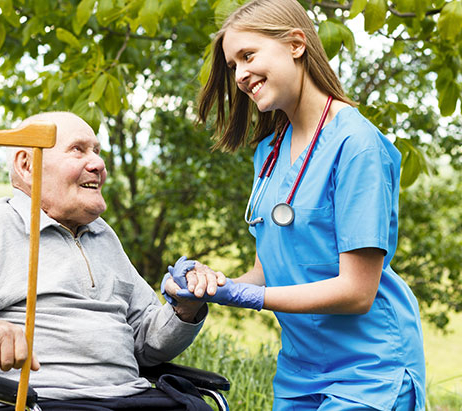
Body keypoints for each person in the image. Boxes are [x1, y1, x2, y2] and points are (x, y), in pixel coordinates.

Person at [163, 0, 426, 409]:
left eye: (248, 56)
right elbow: (268, 271)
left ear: (297, 44)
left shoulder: (357, 145)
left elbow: (357, 291)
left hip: (370, 371)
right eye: (233, 66)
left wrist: (248, 297)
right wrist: (208, 286)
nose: (240, 75)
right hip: (299, 372)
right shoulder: (268, 152)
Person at [0, 111, 223, 411]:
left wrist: (183, 309)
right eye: (78, 150)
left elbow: (146, 345)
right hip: (41, 401)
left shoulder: (102, 235)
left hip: (130, 398)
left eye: (97, 152)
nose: (99, 164)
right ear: (27, 165)